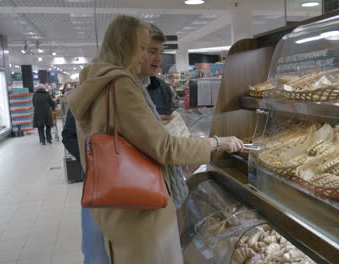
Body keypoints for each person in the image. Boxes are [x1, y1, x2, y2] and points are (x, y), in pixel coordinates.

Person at [67, 15, 244, 264]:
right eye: (141, 48)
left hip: (115, 203)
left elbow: (110, 131)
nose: (143, 56)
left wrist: (151, 122)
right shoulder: (120, 84)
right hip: (141, 211)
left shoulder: (95, 80)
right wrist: (216, 143)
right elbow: (165, 147)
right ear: (122, 44)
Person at [62, 109, 109, 264]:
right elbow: (69, 135)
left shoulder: (156, 88)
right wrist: (91, 161)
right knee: (96, 248)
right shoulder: (86, 92)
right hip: (96, 182)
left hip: (141, 183)